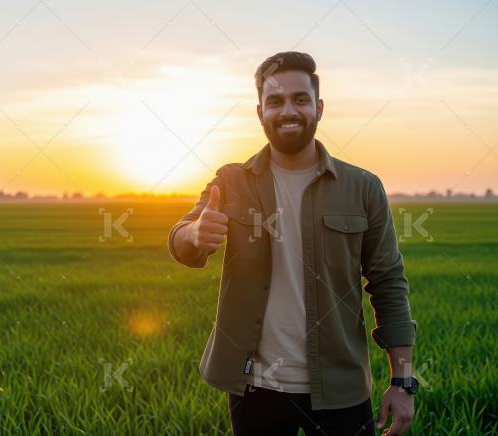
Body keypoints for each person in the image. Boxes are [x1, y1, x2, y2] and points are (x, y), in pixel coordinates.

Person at [167, 51, 418, 435]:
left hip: (341, 388)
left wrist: (402, 382)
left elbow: (388, 282)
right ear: (259, 112)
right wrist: (195, 234)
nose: (288, 110)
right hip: (256, 387)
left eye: (300, 99)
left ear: (318, 108)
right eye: (275, 101)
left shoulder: (362, 188)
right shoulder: (231, 181)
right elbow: (181, 239)